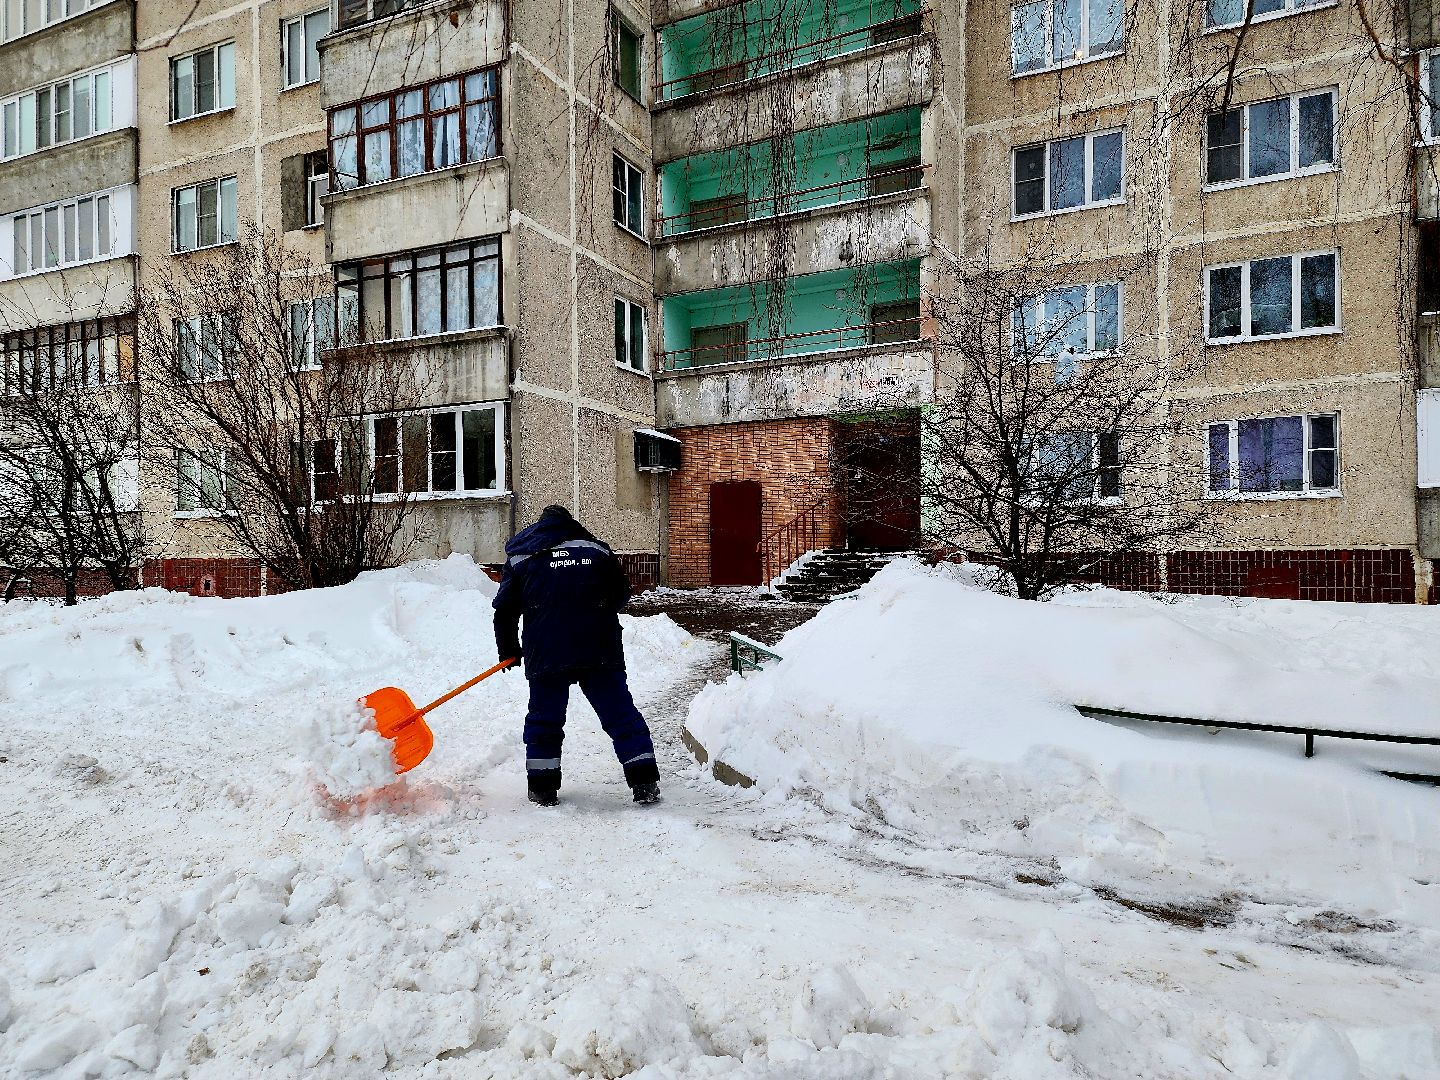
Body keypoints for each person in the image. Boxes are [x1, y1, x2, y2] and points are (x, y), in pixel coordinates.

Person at [493, 505, 661, 806]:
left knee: (545, 720)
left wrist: (508, 649)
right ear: (570, 524)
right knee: (621, 715)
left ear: (540, 527)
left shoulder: (522, 555)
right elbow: (621, 593)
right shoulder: (596, 549)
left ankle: (542, 788)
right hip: (598, 648)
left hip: (547, 651)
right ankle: (645, 782)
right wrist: (593, 611)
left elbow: (505, 610)